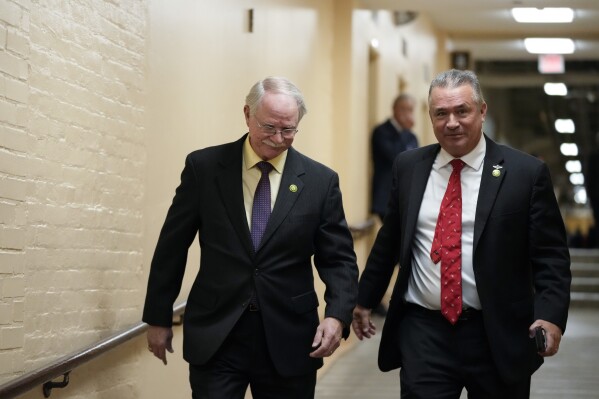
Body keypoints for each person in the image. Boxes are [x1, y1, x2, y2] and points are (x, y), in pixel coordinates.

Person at [352, 69, 571, 398]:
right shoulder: (409, 167)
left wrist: (550, 316)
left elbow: (550, 255)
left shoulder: (525, 174)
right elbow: (391, 241)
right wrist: (364, 300)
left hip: (497, 331)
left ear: (482, 111)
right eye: (441, 113)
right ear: (430, 117)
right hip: (425, 330)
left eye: (462, 111)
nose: (451, 122)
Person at [143, 76, 359, 399]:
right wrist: (158, 317)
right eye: (269, 127)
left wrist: (337, 315)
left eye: (289, 130)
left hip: (290, 337)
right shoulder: (204, 168)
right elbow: (172, 247)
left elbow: (339, 259)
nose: (278, 138)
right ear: (247, 114)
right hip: (218, 334)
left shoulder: (320, 182)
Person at [371, 93, 419, 221]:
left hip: (406, 197)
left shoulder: (411, 136)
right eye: (404, 109)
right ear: (394, 109)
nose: (407, 114)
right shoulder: (381, 131)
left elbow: (415, 163)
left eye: (410, 110)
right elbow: (397, 158)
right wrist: (404, 131)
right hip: (386, 198)